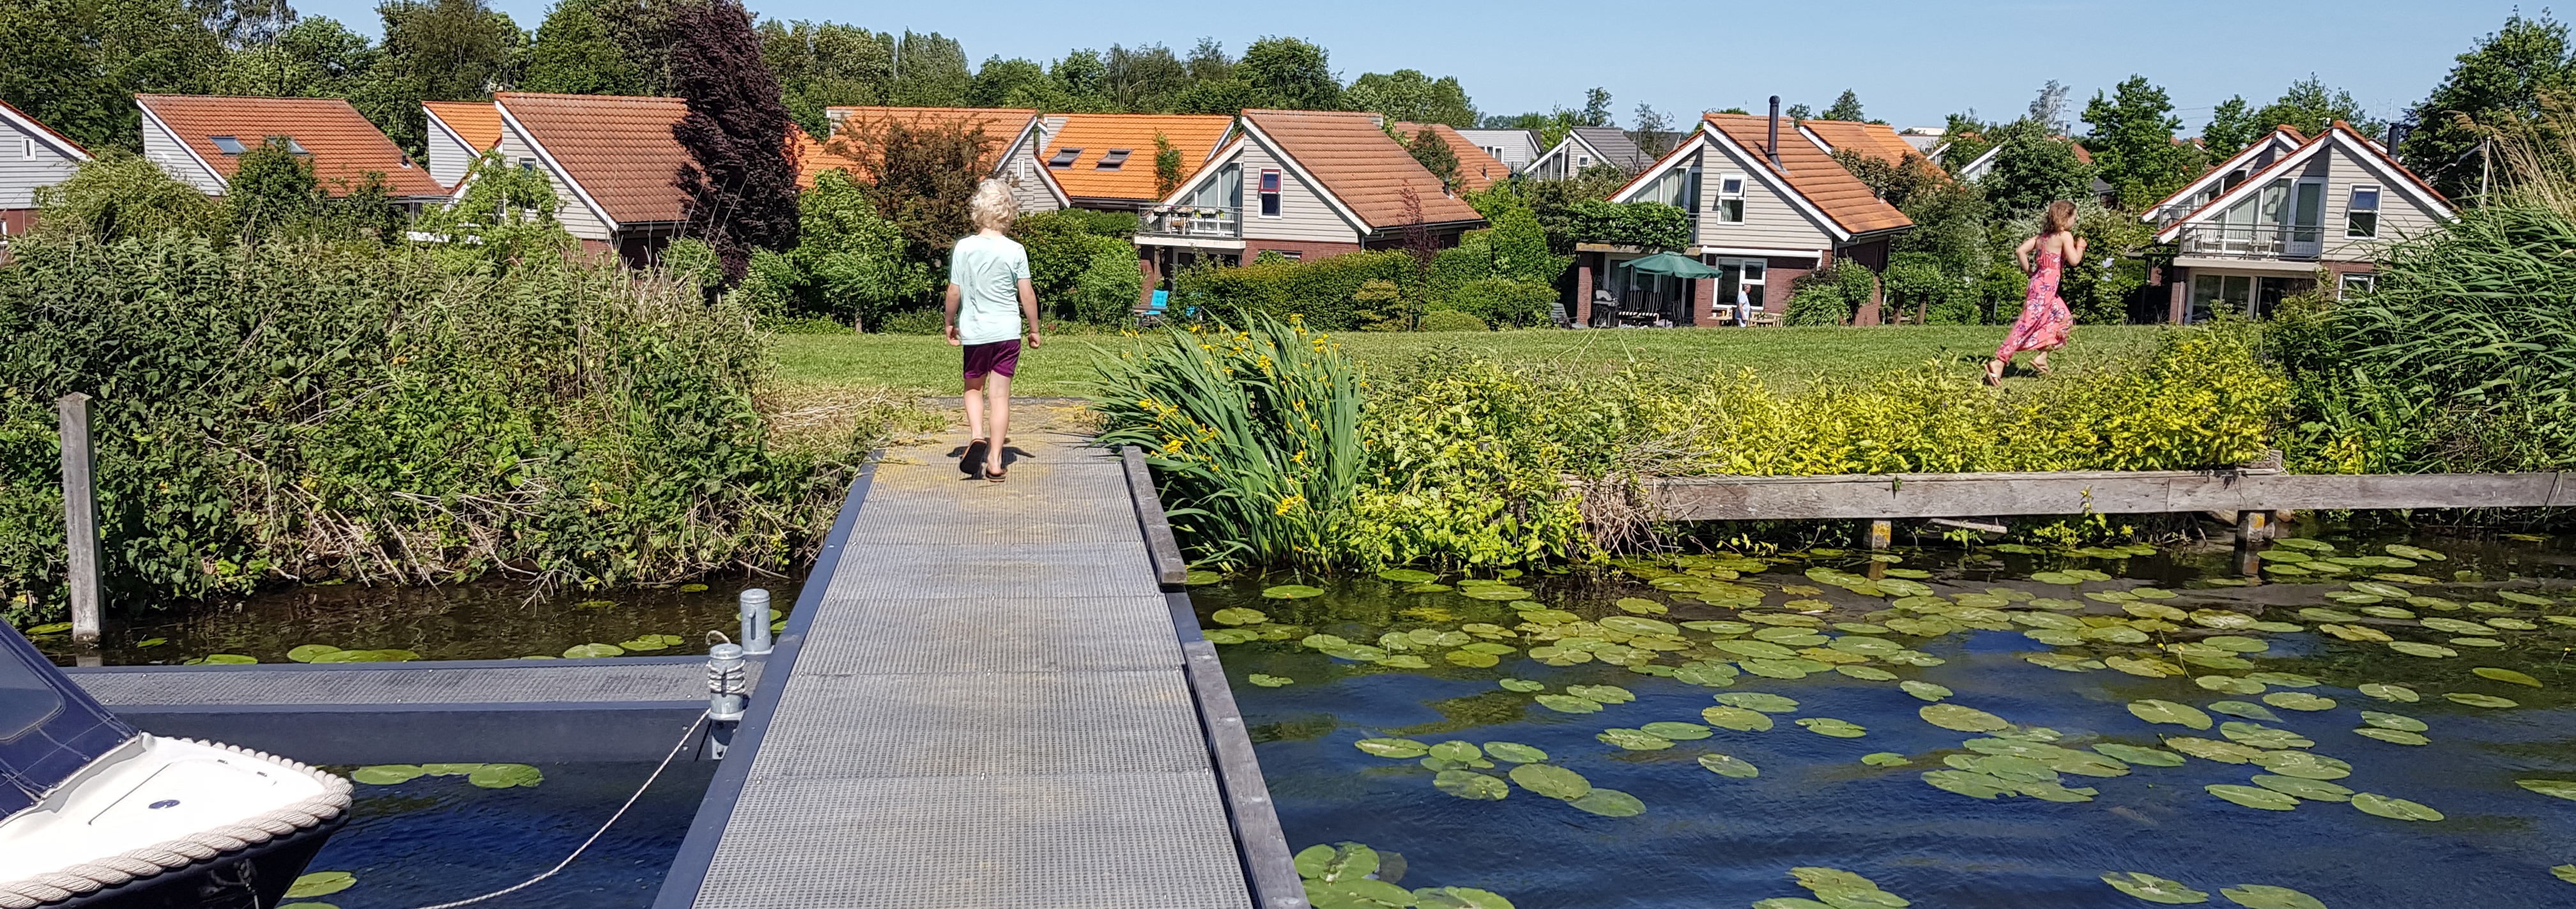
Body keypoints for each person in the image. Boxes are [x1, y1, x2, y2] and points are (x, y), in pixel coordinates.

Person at [946, 180, 1043, 481]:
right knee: (1000, 397)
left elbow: (954, 292)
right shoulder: (1015, 250)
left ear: (978, 210)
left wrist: (949, 322)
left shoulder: (964, 248)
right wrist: (1034, 329)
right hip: (1008, 333)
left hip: (976, 333)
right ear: (1009, 213)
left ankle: (977, 435)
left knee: (974, 389)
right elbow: (1027, 294)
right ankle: (996, 461)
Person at [1988, 200, 2085, 386]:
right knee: (2026, 325)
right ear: (2065, 218)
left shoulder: (2042, 237)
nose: (2075, 221)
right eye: (2074, 217)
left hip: (2039, 285)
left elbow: (2020, 251)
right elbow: (2074, 261)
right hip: (2045, 289)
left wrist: (2030, 272)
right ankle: (1999, 362)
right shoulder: (2065, 236)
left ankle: (2042, 357)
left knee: (2065, 320)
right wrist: (2080, 246)